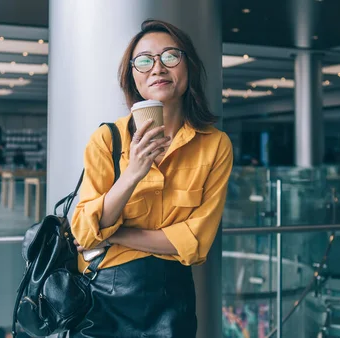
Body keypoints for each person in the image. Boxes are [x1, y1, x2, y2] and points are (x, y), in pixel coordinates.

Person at [70, 19, 233, 337]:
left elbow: (196, 242)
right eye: (144, 61)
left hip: (170, 298)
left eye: (170, 56)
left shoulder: (215, 145)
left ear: (189, 66)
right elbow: (83, 230)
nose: (157, 68)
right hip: (102, 293)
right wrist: (133, 173)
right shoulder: (108, 139)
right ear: (132, 75)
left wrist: (113, 235)